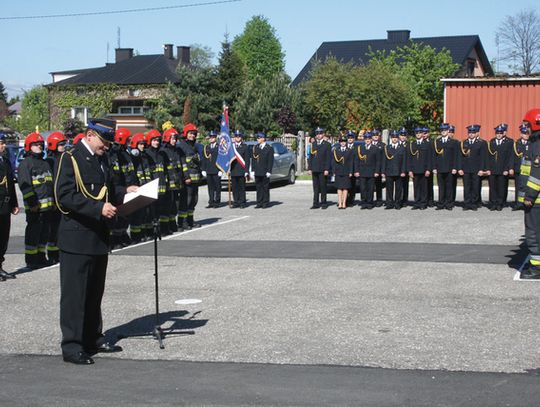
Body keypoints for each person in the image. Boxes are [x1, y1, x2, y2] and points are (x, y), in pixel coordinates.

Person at [54, 118, 138, 365]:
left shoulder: (103, 159)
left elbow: (110, 189)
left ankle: (92, 337)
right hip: (77, 237)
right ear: (90, 135)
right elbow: (64, 197)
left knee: (94, 293)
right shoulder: (70, 158)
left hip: (98, 237)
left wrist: (127, 192)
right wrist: (97, 209)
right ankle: (72, 346)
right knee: (75, 295)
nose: (107, 146)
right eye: (104, 141)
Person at [18, 132, 55, 269]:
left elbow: (50, 185)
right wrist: (32, 203)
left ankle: (41, 257)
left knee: (44, 233)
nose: (39, 146)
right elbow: (25, 186)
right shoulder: (25, 164)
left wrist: (54, 204)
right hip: (35, 207)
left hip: (48, 207)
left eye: (40, 144)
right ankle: (31, 259)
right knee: (33, 234)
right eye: (35, 144)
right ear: (28, 146)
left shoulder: (45, 163)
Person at [520, 108, 540, 279]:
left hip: (536, 200)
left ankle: (537, 268)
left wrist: (530, 196)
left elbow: (536, 173)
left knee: (534, 233)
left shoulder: (538, 143)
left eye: (527, 124)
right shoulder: (535, 141)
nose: (525, 127)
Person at [45, 131, 67, 264]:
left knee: (60, 228)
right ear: (53, 145)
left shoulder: (64, 159)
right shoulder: (50, 161)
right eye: (61, 144)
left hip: (62, 199)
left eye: (64, 144)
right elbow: (51, 183)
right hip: (54, 201)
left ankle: (59, 252)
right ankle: (53, 254)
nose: (63, 146)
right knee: (53, 229)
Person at [0, 132, 19, 280]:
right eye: (1, 143)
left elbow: (11, 184)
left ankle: (0, 265)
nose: (4, 145)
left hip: (5, 205)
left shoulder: (5, 160)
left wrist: (14, 203)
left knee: (3, 237)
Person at [177, 123, 203, 229]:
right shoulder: (182, 146)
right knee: (185, 201)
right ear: (186, 134)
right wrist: (186, 177)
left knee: (193, 200)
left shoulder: (194, 146)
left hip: (195, 179)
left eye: (194, 134)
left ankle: (190, 220)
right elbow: (182, 163)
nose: (192, 136)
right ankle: (182, 222)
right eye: (190, 133)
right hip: (187, 180)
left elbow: (196, 163)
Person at [458, 125, 487, 211]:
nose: (471, 134)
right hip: (466, 169)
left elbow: (482, 158)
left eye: (473, 133)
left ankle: (474, 203)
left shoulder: (480, 143)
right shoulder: (464, 143)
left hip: (476, 169)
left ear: (476, 133)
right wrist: (460, 168)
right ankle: (467, 203)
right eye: (470, 132)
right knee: (466, 187)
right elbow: (460, 157)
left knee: (475, 187)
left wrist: (482, 169)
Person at [432, 123, 460, 210]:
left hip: (450, 168)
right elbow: (434, 156)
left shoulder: (453, 142)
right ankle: (441, 203)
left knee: (449, 187)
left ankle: (449, 204)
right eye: (442, 130)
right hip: (440, 168)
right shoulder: (437, 142)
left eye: (445, 130)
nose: (443, 132)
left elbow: (456, 156)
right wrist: (434, 168)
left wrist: (455, 167)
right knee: (441, 187)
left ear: (448, 131)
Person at [486, 124, 513, 211]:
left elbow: (509, 157)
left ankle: (500, 203)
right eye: (497, 133)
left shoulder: (507, 143)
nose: (499, 134)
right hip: (493, 169)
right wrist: (488, 169)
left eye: (501, 133)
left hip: (502, 169)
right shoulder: (492, 142)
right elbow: (488, 157)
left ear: (503, 133)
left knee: (501, 187)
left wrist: (506, 169)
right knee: (492, 187)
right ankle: (493, 203)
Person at [161, 128, 183, 232]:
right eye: (173, 138)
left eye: (176, 139)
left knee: (174, 205)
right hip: (168, 184)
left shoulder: (176, 151)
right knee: (167, 205)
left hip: (176, 183)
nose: (175, 141)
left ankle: (172, 224)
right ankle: (165, 227)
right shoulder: (163, 152)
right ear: (167, 138)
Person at [354, 132, 381, 209]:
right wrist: (356, 171)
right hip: (362, 171)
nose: (367, 140)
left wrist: (376, 171)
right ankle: (363, 202)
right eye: (366, 139)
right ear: (364, 139)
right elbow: (356, 160)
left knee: (370, 188)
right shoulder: (360, 148)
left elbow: (378, 161)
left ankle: (369, 203)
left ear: (371, 139)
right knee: (362, 188)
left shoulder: (375, 148)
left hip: (371, 171)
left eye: (369, 138)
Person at [407, 127, 432, 210]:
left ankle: (423, 203)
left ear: (422, 134)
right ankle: (417, 203)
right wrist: (410, 170)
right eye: (417, 133)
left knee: (424, 187)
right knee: (416, 186)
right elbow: (409, 158)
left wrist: (428, 169)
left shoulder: (427, 144)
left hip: (424, 169)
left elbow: (429, 158)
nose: (418, 134)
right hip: (415, 169)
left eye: (420, 133)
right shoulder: (412, 144)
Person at [382, 130, 407, 209]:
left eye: (396, 137)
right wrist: (383, 171)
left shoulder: (402, 148)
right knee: (389, 188)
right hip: (389, 171)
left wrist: (403, 171)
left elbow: (404, 161)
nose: (394, 139)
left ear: (398, 138)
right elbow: (384, 160)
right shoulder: (387, 147)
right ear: (391, 138)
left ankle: (397, 203)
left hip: (399, 171)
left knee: (398, 188)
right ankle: (389, 203)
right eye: (393, 137)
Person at [307, 127, 331, 209]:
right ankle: (315, 203)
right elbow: (311, 157)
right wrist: (309, 168)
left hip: (323, 169)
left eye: (320, 133)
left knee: (323, 186)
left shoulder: (327, 145)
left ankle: (324, 203)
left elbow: (328, 158)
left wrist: (327, 169)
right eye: (317, 134)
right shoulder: (313, 144)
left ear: (323, 134)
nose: (318, 135)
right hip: (315, 168)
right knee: (315, 187)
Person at [251, 132, 273, 208]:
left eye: (259, 138)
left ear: (263, 138)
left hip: (265, 171)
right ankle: (259, 202)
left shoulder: (269, 148)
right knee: (258, 187)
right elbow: (254, 160)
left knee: (265, 187)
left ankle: (265, 202)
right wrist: (253, 170)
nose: (257, 139)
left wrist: (269, 171)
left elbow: (270, 160)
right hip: (257, 171)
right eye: (257, 138)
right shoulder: (255, 147)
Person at [331, 135, 354, 209]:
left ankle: (344, 203)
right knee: (339, 188)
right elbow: (334, 162)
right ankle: (340, 202)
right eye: (341, 142)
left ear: (346, 143)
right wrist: (333, 171)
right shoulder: (336, 150)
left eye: (344, 142)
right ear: (339, 143)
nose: (343, 143)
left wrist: (351, 171)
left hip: (346, 171)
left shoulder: (349, 150)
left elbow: (351, 162)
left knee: (345, 188)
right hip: (338, 171)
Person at [230, 130, 250, 208]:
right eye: (236, 136)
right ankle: (236, 202)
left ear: (241, 137)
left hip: (241, 170)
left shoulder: (245, 147)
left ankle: (242, 202)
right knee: (234, 188)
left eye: (239, 136)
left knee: (241, 187)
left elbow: (247, 160)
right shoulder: (231, 147)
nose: (237, 138)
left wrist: (246, 171)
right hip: (233, 170)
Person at [513, 124, 531, 210]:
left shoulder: (531, 143)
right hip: (519, 169)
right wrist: (511, 168)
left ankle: (526, 203)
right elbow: (512, 157)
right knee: (518, 187)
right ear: (521, 134)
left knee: (527, 187)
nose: (526, 135)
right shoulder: (516, 144)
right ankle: (518, 204)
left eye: (527, 134)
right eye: (524, 133)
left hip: (529, 170)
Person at [201, 131, 221, 208]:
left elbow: (221, 159)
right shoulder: (206, 147)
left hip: (216, 170)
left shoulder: (219, 147)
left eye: (213, 137)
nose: (211, 139)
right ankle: (211, 202)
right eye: (210, 137)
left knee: (217, 187)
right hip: (209, 170)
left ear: (215, 138)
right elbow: (204, 159)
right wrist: (203, 169)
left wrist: (221, 170)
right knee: (210, 187)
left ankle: (217, 202)